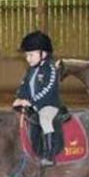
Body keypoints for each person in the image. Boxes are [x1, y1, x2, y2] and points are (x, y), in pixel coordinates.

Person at [12, 30, 64, 168]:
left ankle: (49, 155)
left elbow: (47, 89)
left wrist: (32, 102)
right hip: (33, 105)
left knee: (45, 119)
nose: (28, 58)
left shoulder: (51, 69)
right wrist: (19, 98)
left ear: (44, 54)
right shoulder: (31, 70)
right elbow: (24, 86)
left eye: (31, 54)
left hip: (48, 105)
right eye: (26, 55)